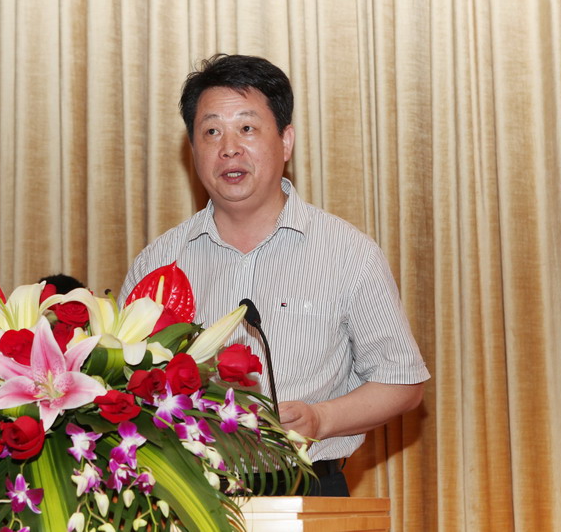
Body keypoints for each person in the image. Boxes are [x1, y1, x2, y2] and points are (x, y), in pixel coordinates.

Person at [119, 54, 430, 496]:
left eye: (247, 128)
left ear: (286, 141)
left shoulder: (348, 253)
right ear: (193, 149)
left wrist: (322, 418)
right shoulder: (159, 262)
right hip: (189, 494)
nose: (229, 148)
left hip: (307, 487)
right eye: (211, 132)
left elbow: (402, 382)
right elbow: (122, 382)